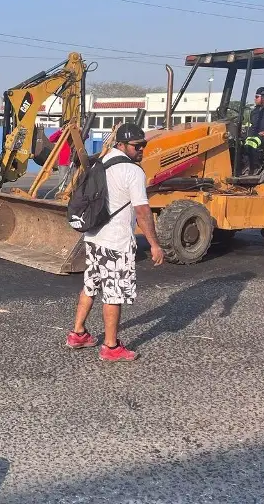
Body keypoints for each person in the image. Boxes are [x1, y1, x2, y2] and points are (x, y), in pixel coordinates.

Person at [66, 123, 164, 362]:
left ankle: (78, 333)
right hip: (116, 242)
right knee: (114, 294)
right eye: (137, 146)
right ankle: (111, 347)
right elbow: (142, 211)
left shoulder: (104, 160)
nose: (141, 150)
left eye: (144, 145)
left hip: (94, 237)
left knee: (91, 284)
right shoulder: (133, 171)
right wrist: (154, 243)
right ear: (121, 144)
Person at [45, 128, 73, 198]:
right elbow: (51, 139)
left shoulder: (76, 134)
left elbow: (86, 135)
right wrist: (59, 131)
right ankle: (61, 192)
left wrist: (79, 129)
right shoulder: (61, 135)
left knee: (74, 179)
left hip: (74, 160)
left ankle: (72, 193)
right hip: (63, 160)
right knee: (63, 179)